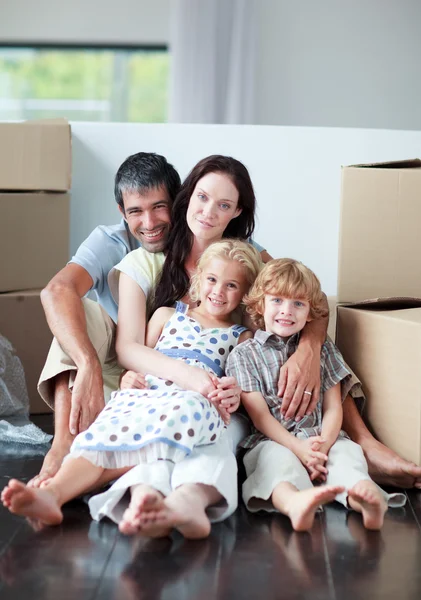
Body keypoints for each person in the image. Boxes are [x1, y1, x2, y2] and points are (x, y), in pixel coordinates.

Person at [1, 241, 262, 537]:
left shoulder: (241, 337)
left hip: (193, 403)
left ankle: (64, 491)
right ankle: (53, 495)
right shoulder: (167, 315)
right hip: (147, 396)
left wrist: (232, 394)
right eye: (213, 280)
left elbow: (240, 385)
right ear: (199, 278)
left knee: (181, 413)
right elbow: (139, 362)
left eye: (231, 285)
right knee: (103, 432)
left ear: (244, 294)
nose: (218, 291)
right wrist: (128, 380)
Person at [226, 258, 406, 532]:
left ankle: (364, 496)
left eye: (298, 304)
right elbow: (260, 416)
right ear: (260, 305)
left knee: (347, 455)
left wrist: (324, 444)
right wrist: (297, 447)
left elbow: (334, 407)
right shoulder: (244, 354)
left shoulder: (322, 350)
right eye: (277, 300)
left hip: (321, 436)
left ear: (311, 312)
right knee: (274, 463)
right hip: (274, 439)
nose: (287, 311)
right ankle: (294, 502)